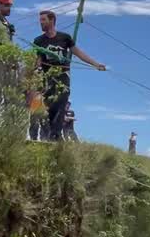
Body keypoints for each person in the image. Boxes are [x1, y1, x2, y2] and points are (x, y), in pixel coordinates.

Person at [32, 10, 106, 140]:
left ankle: (55, 134)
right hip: (47, 76)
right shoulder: (38, 41)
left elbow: (79, 53)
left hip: (63, 75)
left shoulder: (64, 38)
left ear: (52, 21)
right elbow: (37, 61)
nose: (41, 22)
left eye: (43, 20)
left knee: (62, 100)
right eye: (40, 20)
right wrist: (34, 71)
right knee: (50, 105)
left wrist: (95, 64)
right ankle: (51, 135)